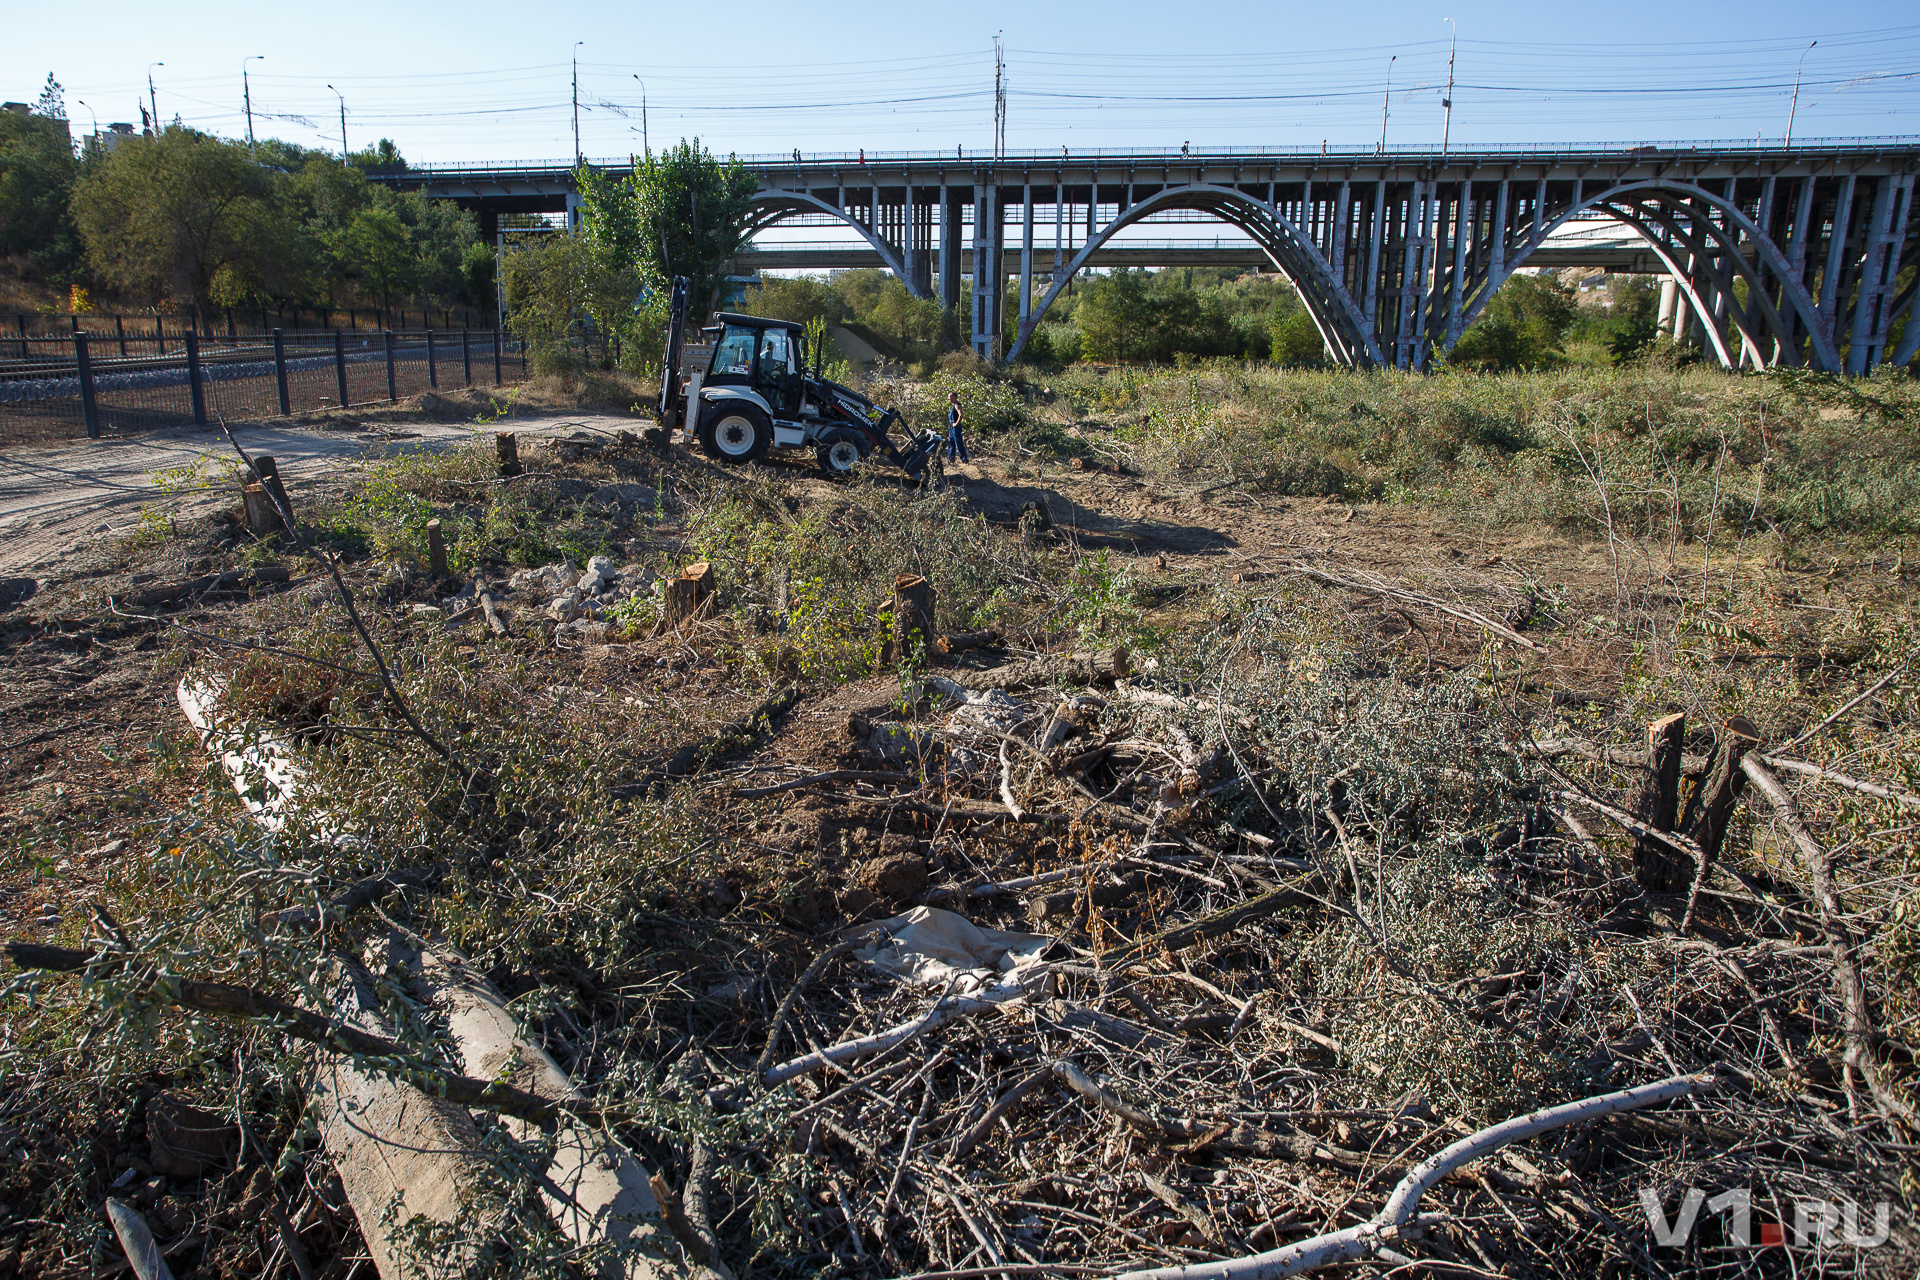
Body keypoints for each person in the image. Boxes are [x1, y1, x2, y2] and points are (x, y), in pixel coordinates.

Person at [946, 390, 968, 464]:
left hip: (955, 428)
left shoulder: (956, 405)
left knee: (959, 443)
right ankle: (951, 459)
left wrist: (956, 424)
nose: (949, 398)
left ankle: (964, 460)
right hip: (951, 428)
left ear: (954, 397)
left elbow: (961, 414)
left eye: (950, 396)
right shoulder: (953, 405)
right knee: (951, 443)